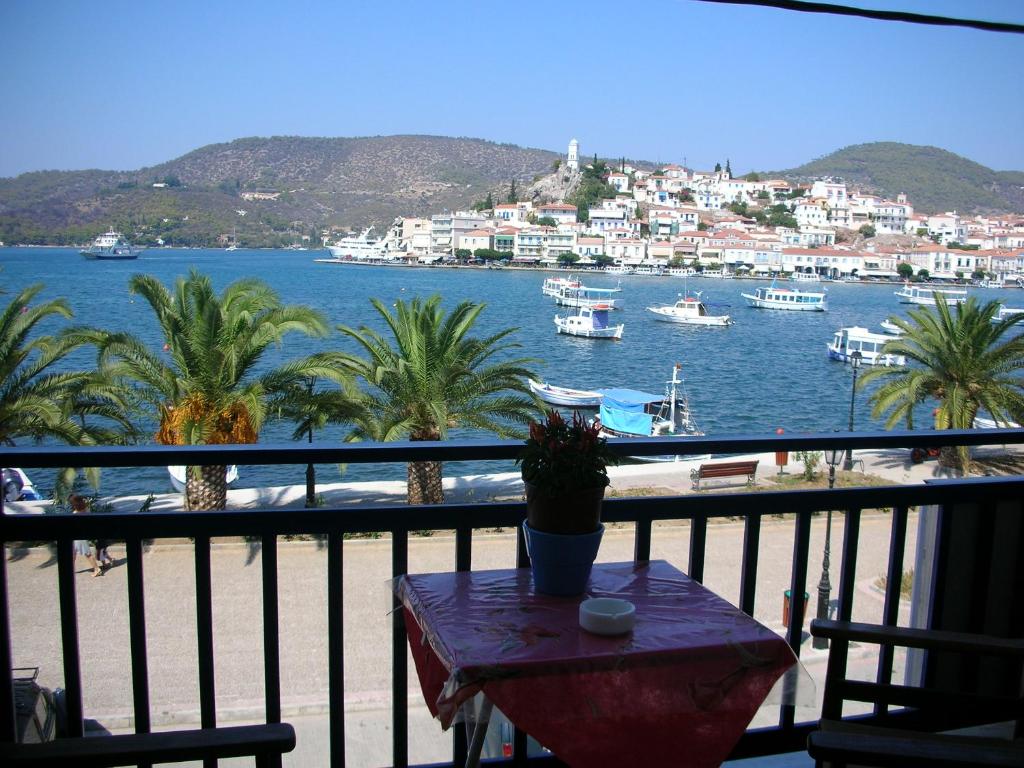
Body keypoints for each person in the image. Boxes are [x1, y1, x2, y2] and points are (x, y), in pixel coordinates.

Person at [70, 494, 101, 577]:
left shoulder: (76, 513)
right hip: (82, 534)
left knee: (86, 553)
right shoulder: (87, 509)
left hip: (78, 535)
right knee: (73, 553)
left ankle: (97, 569)